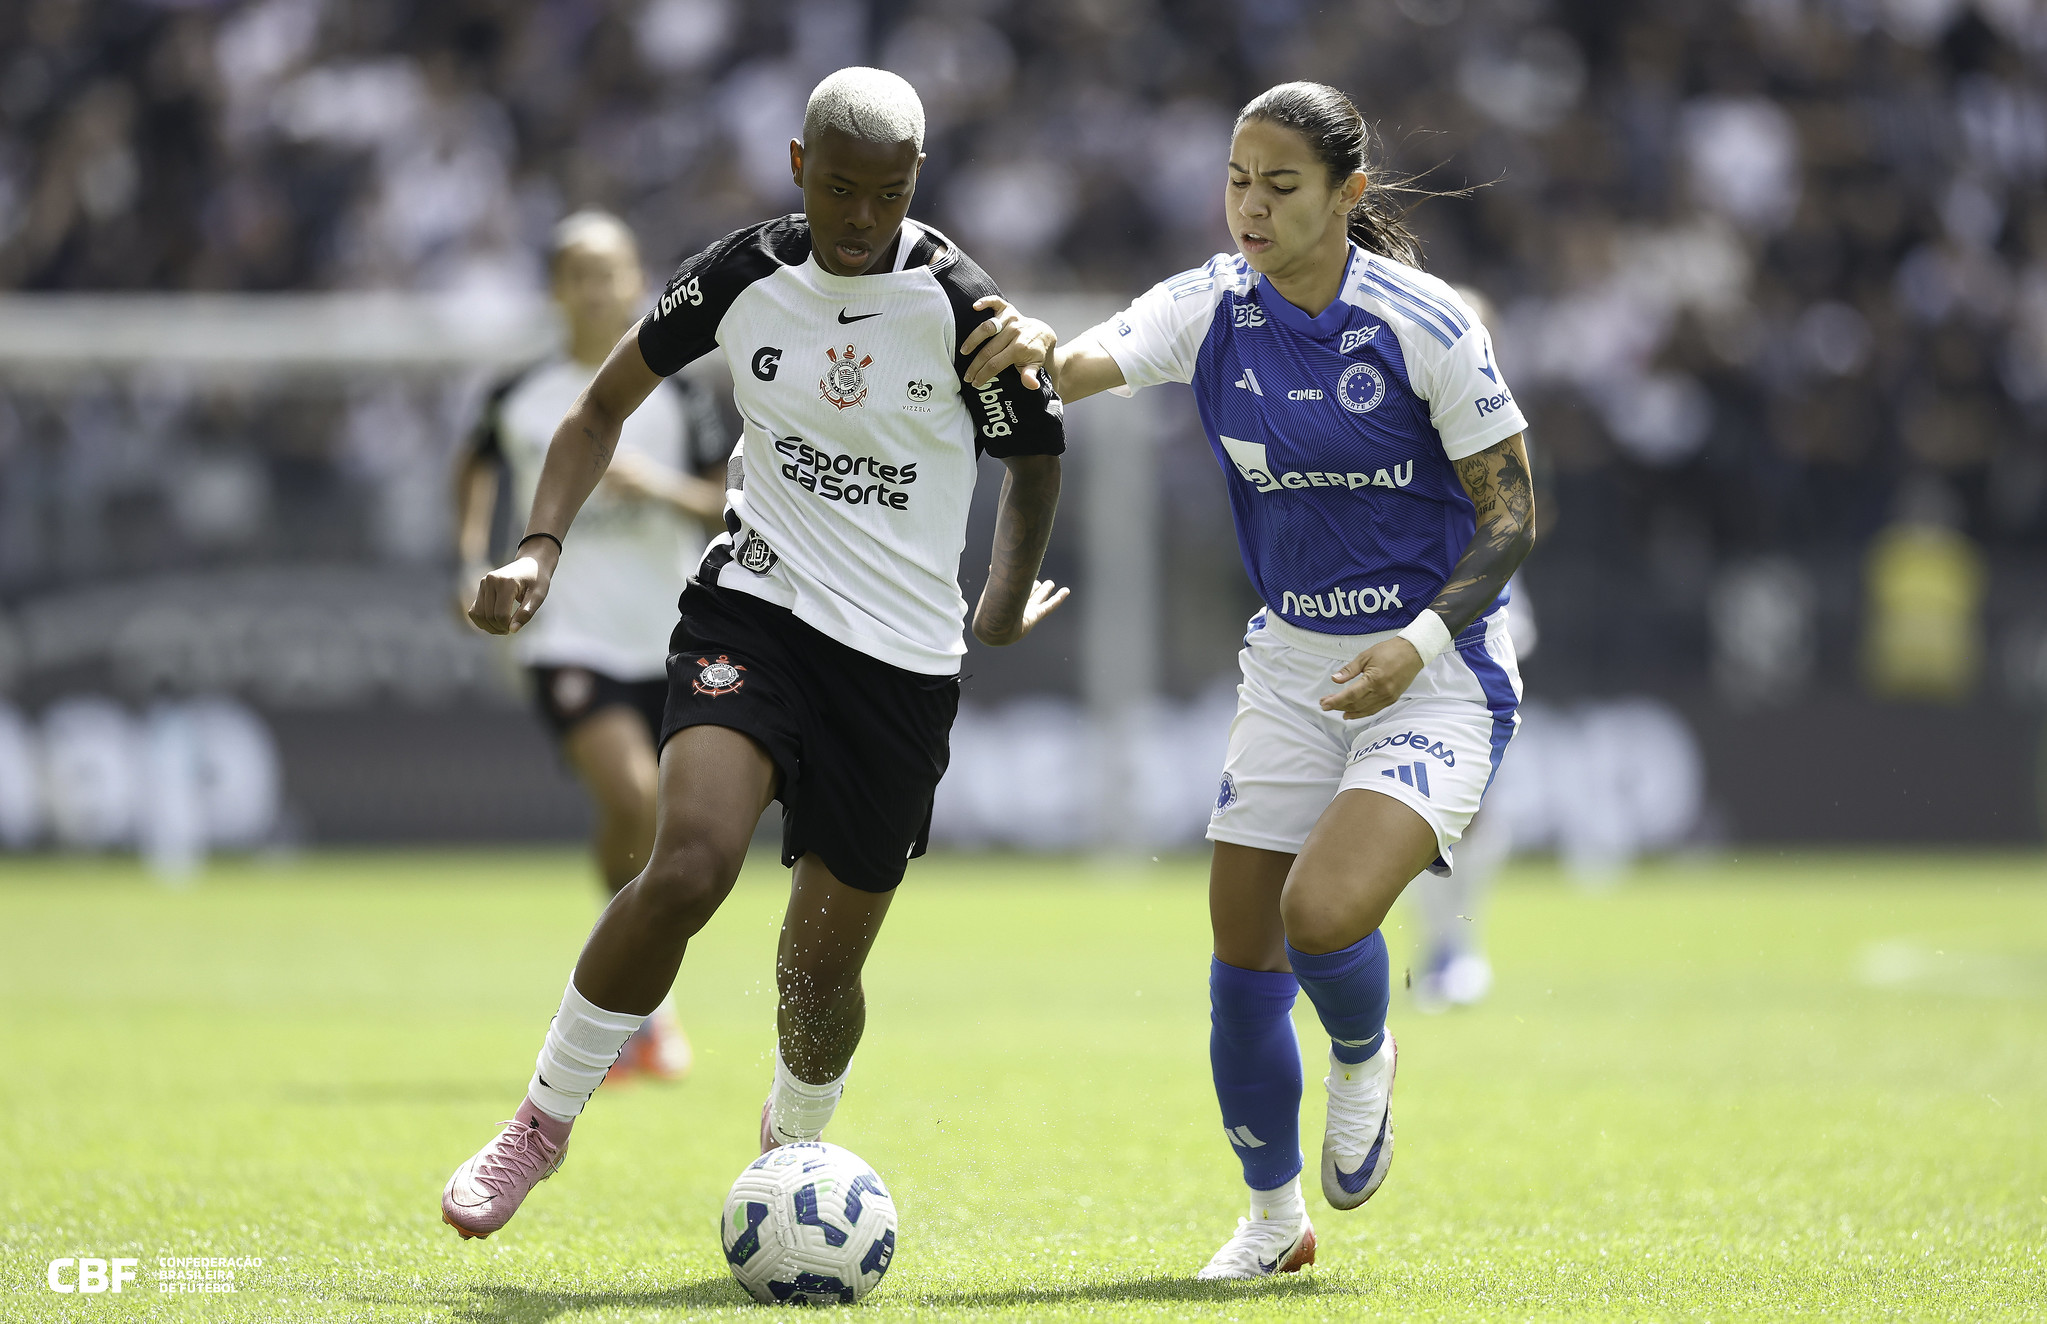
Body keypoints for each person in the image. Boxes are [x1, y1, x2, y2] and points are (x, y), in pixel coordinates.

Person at [440, 67, 1068, 1240]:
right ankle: (539, 1121)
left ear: (914, 183)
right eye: (838, 188)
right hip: (755, 609)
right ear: (796, 166)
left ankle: (795, 1138)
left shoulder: (963, 309)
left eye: (886, 195)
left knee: (816, 976)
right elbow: (596, 409)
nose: (861, 217)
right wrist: (537, 551)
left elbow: (1036, 454)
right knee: (686, 863)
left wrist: (998, 603)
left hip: (899, 662)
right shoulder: (741, 273)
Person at [962, 82, 1536, 1278]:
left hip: (1433, 672)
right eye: (1236, 181)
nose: (1249, 209)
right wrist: (1025, 355)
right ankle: (1273, 1221)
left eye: (1280, 186)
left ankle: (1365, 1055)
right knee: (1238, 963)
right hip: (1289, 669)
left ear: (1348, 195)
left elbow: (1516, 516)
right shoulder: (1208, 307)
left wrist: (1418, 644)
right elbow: (1068, 373)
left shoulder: (1424, 324)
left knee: (1321, 914)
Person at [454, 210, 730, 1084]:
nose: (597, 289)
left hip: (675, 633)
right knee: (633, 797)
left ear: (635, 280)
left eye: (611, 272)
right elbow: (475, 468)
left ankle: (634, 998)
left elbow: (730, 500)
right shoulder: (522, 396)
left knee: (668, 833)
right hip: (567, 636)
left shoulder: (678, 390)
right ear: (556, 288)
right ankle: (636, 1006)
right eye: (579, 273)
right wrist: (472, 556)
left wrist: (658, 488)